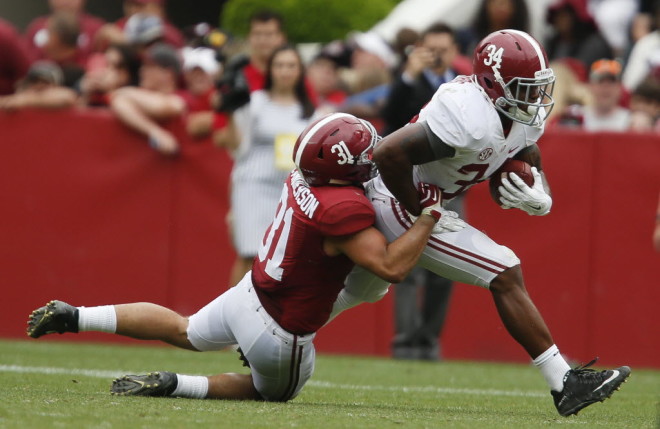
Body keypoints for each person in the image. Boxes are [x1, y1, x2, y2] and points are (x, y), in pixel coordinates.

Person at [26, 113, 451, 402]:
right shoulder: (344, 207)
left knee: (184, 328)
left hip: (248, 293)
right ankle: (177, 385)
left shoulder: (303, 174)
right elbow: (392, 267)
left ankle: (77, 315)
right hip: (281, 331)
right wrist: (429, 214)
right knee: (272, 394)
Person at [329, 29, 631, 417]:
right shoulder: (467, 113)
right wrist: (421, 209)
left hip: (426, 203)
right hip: (399, 198)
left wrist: (541, 188)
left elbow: (522, 149)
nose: (534, 99)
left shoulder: (516, 114)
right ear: (492, 84)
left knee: (358, 290)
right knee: (504, 269)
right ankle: (565, 382)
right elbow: (389, 153)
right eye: (524, 88)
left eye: (538, 87)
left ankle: (287, 329)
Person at [214, 45, 315, 286]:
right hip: (253, 187)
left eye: (291, 65)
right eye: (279, 65)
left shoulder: (310, 110)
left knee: (280, 259)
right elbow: (237, 146)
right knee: (250, 254)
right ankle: (229, 318)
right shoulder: (255, 102)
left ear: (300, 71)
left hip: (289, 191)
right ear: (270, 70)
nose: (285, 71)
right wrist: (228, 112)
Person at [109, 42, 185, 155]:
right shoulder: (136, 96)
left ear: (167, 73)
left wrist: (122, 92)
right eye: (143, 66)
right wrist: (155, 132)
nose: (142, 71)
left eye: (149, 66)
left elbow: (163, 107)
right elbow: (119, 102)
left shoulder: (182, 96)